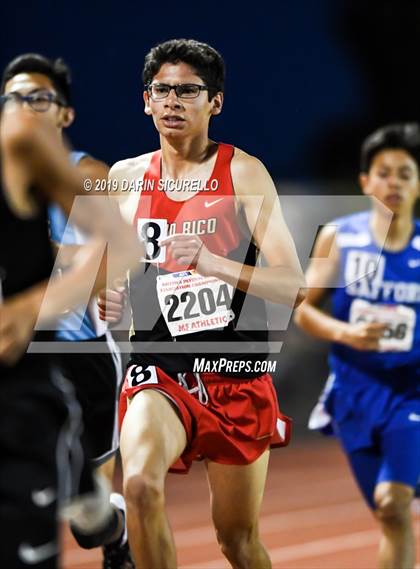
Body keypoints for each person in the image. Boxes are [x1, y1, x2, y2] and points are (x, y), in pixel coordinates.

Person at [100, 38, 306, 569]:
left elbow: (292, 284)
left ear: (215, 102)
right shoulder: (123, 178)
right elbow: (107, 270)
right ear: (145, 100)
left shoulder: (242, 173)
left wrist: (213, 264)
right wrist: (109, 295)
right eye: (161, 90)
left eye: (188, 90)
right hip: (158, 369)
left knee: (236, 540)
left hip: (233, 370)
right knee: (142, 485)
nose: (172, 101)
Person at [1, 54, 132, 568]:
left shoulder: (90, 174)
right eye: (13, 98)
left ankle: (114, 532)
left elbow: (116, 240)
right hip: (20, 369)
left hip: (77, 352)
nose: (24, 108)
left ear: (65, 115)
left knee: (84, 516)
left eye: (39, 97)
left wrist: (95, 282)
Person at [294, 123, 420, 569]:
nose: (394, 182)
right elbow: (304, 309)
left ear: (418, 184)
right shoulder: (340, 238)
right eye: (384, 172)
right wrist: (346, 333)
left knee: (393, 502)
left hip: (412, 392)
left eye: (406, 173)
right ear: (365, 181)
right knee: (389, 516)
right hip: (354, 396)